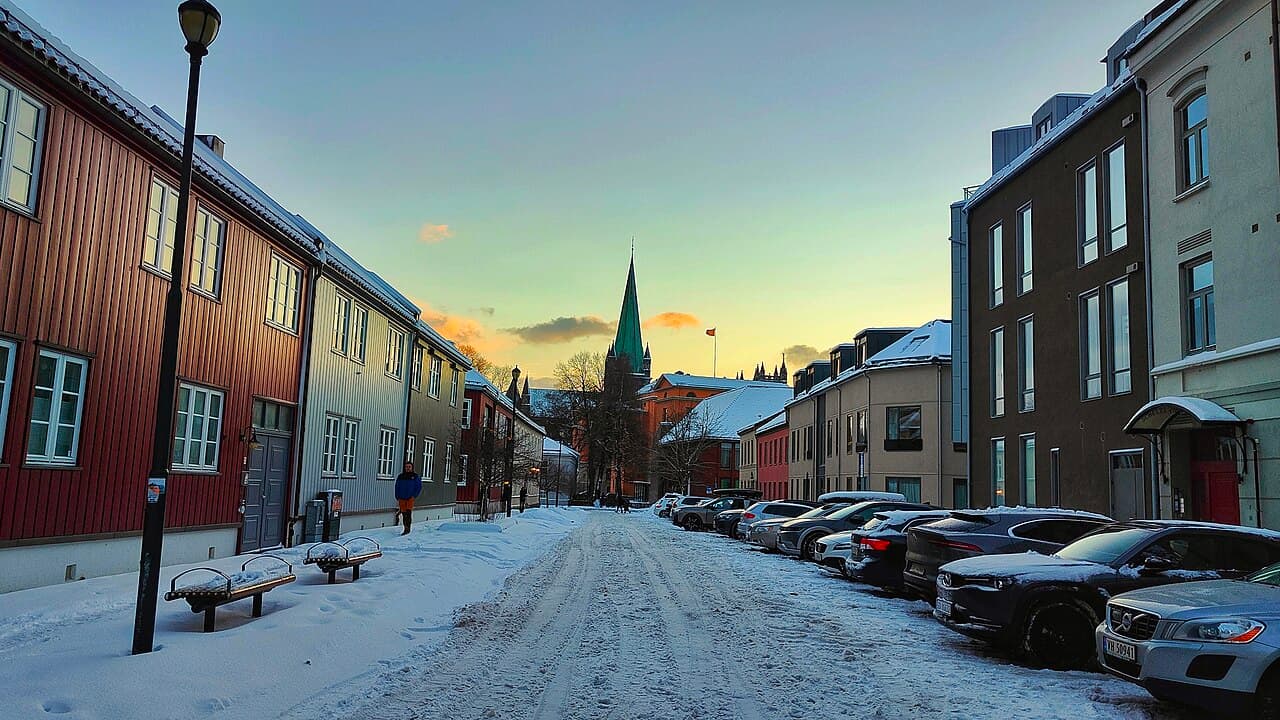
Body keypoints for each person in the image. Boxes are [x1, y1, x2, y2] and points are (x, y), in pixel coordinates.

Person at [394, 461, 423, 535]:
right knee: (404, 514)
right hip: (401, 498)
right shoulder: (401, 476)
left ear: (412, 468)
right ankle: (405, 528)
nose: (408, 468)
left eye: (409, 467)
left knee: (408, 513)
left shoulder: (415, 476)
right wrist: (397, 496)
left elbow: (418, 487)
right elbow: (397, 486)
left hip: (410, 498)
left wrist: (414, 496)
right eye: (406, 467)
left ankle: (408, 528)